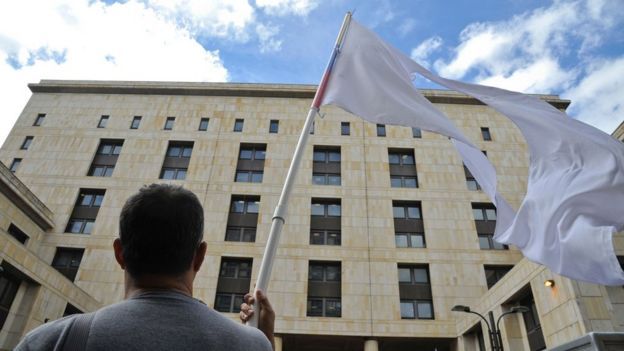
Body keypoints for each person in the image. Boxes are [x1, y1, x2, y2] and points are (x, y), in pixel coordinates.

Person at [15, 184, 275, 351]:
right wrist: (262, 341)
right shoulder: (249, 344)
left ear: (119, 253)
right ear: (199, 257)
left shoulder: (50, 342)